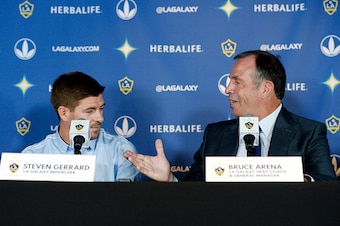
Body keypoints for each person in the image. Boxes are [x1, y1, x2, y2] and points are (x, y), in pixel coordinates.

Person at [124, 50, 336, 182]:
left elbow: (326, 184)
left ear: (265, 89)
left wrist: (285, 177)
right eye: (229, 81)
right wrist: (170, 180)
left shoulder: (309, 133)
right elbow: (193, 196)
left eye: (237, 82)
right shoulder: (216, 135)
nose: (227, 89)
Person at [22, 71, 140, 182]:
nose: (100, 118)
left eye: (101, 109)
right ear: (64, 113)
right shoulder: (32, 157)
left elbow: (126, 202)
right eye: (90, 111)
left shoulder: (121, 151)